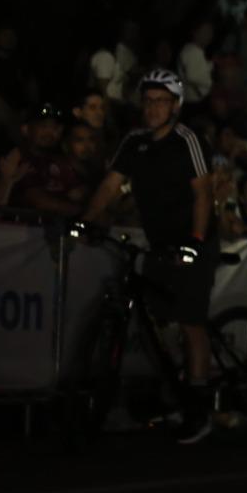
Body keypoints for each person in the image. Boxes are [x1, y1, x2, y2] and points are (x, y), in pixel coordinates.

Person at [84, 69, 216, 444]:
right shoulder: (134, 141)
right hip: (160, 244)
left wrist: (195, 241)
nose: (154, 108)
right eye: (149, 100)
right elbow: (110, 185)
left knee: (190, 322)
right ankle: (172, 393)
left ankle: (199, 409)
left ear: (175, 105)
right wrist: (85, 221)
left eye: (162, 101)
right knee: (158, 322)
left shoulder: (187, 139)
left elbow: (203, 194)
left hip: (194, 240)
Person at [178, 20, 216, 105]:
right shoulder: (193, 51)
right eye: (205, 32)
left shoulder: (192, 49)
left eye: (210, 32)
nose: (209, 36)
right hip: (195, 100)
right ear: (195, 32)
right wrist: (213, 84)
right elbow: (193, 76)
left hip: (193, 98)